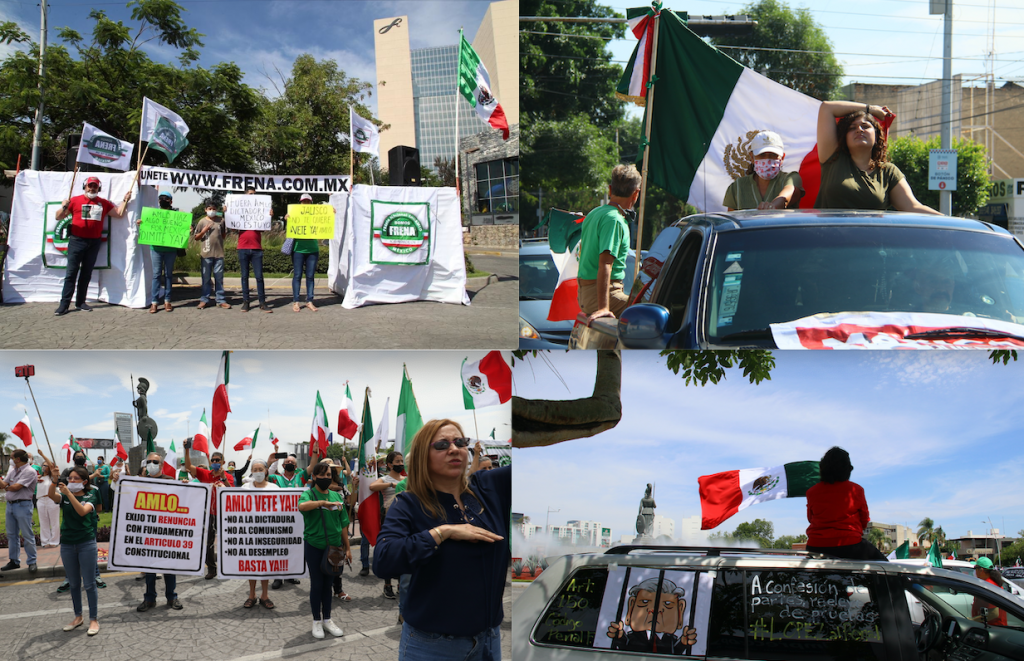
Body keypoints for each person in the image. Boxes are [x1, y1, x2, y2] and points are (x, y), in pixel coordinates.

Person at [374, 419, 511, 661]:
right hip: (432, 645)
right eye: (441, 444)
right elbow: (384, 560)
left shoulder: (488, 487)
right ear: (421, 456)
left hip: (489, 639)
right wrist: (442, 532)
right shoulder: (408, 503)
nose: (454, 448)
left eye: (460, 442)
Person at [815, 101, 941, 213]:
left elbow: (912, 207)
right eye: (852, 128)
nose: (859, 129)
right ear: (844, 138)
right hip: (829, 238)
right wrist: (871, 109)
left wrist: (951, 222)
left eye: (865, 126)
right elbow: (827, 108)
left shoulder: (888, 172)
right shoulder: (833, 158)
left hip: (870, 239)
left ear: (877, 136)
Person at [53, 176, 132, 316]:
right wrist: (64, 206)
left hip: (94, 243)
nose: (92, 188)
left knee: (86, 273)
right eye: (90, 185)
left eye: (95, 186)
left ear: (99, 188)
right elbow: (58, 217)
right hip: (77, 241)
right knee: (71, 273)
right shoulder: (75, 201)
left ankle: (80, 302)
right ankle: (64, 304)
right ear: (85, 186)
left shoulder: (103, 203)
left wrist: (125, 200)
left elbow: (119, 213)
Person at [577, 164, 642, 321]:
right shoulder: (614, 220)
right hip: (604, 295)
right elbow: (605, 264)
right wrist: (604, 308)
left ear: (610, 189)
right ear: (636, 194)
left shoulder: (595, 213)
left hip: (587, 293)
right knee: (652, 312)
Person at [298, 462, 352, 639]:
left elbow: (343, 524)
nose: (326, 478)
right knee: (317, 585)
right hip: (314, 546)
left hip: (334, 548)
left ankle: (328, 620)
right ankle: (316, 621)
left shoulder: (337, 495)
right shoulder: (308, 494)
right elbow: (301, 507)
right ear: (314, 477)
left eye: (329, 475)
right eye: (322, 475)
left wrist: (348, 548)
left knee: (328, 585)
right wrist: (322, 503)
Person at [805, 446, 887, 561]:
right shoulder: (856, 490)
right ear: (847, 469)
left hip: (816, 546)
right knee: (886, 567)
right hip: (850, 545)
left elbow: (810, 518)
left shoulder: (811, 492)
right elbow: (864, 520)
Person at [47, 464, 101, 635]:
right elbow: (50, 495)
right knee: (74, 584)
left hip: (86, 543)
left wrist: (68, 493)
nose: (71, 481)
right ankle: (78, 617)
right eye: (69, 478)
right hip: (68, 544)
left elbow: (82, 512)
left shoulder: (91, 494)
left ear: (85, 481)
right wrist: (55, 480)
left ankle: (93, 619)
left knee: (90, 584)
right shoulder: (64, 496)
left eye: (75, 478)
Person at [129, 452, 184, 611]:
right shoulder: (139, 483)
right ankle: (149, 598)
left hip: (166, 532)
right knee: (150, 568)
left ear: (161, 465)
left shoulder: (170, 481)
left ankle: (172, 597)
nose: (151, 464)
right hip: (148, 532)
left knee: (169, 567)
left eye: (155, 461)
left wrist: (186, 487)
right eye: (149, 461)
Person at [182, 445, 235, 579]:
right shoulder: (206, 474)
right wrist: (187, 450)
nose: (215, 462)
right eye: (213, 460)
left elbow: (232, 493)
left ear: (223, 462)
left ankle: (228, 566)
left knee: (228, 541)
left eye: (218, 460)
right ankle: (212, 568)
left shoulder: (228, 476)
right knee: (207, 542)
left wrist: (223, 480)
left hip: (225, 514)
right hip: (209, 514)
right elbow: (189, 466)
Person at [723, 130, 803, 211]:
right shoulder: (737, 187)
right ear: (752, 157)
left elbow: (786, 196)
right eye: (762, 154)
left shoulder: (791, 178)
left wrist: (773, 206)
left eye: (773, 155)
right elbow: (732, 219)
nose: (767, 159)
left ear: (782, 158)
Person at [270, 451, 311, 589]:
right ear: (282, 465)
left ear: (296, 466)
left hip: (297, 521)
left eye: (292, 463)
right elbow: (261, 476)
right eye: (287, 462)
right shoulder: (275, 478)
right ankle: (277, 577)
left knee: (293, 548)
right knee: (278, 548)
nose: (289, 464)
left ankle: (290, 575)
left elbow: (312, 467)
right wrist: (270, 462)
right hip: (278, 520)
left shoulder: (301, 477)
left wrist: (315, 452)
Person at [241, 459, 279, 609]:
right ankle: (252, 595)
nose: (258, 472)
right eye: (255, 470)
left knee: (265, 565)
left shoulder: (274, 488)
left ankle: (265, 595)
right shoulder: (245, 487)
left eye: (260, 469)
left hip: (268, 533)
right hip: (250, 534)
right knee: (252, 564)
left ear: (266, 471)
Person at [231, 188, 272, 313]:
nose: (252, 196)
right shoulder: (238, 210)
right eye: (250, 194)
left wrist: (268, 216)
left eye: (254, 194)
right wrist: (228, 213)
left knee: (259, 277)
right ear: (245, 196)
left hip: (256, 248)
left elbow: (265, 228)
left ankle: (262, 302)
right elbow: (232, 228)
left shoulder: (261, 209)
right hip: (242, 248)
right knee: (244, 276)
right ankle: (246, 302)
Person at [370, 451, 404, 599]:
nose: (400, 464)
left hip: (404, 519)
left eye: (401, 461)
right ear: (389, 464)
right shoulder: (384, 479)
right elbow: (372, 486)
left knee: (403, 551)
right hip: (389, 518)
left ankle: (401, 584)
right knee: (389, 551)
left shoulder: (406, 479)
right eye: (397, 461)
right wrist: (391, 484)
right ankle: (387, 585)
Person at [0, 449, 38, 573]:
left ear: (18, 459)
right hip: (10, 505)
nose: (10, 459)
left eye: (11, 457)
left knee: (27, 534)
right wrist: (6, 486)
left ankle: (32, 561)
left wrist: (6, 487)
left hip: (23, 505)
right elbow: (4, 484)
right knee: (12, 535)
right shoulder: (13, 470)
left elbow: (16, 487)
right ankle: (14, 561)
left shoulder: (30, 471)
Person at [142, 192, 180, 313]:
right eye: (162, 199)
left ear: (171, 201)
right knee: (156, 275)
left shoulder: (176, 215)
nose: (164, 200)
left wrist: (187, 229)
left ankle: (167, 301)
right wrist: (141, 223)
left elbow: (181, 229)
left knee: (169, 275)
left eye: (166, 199)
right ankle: (154, 302)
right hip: (156, 249)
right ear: (158, 201)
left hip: (171, 249)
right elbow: (146, 226)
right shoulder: (153, 214)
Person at [287, 193, 321, 312]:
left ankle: (309, 301)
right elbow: (290, 230)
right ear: (300, 202)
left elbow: (325, 223)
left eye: (308, 201)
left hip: (313, 249)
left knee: (310, 276)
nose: (305, 203)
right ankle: (296, 301)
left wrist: (330, 214)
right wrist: (288, 219)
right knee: (297, 275)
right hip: (298, 249)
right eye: (303, 201)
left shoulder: (317, 215)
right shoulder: (294, 214)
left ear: (311, 203)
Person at [193, 200, 231, 309]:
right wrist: (204, 231)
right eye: (210, 209)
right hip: (206, 253)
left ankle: (220, 299)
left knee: (219, 278)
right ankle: (204, 299)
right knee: (206, 278)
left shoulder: (221, 221)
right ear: (206, 210)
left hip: (218, 253)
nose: (212, 211)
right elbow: (196, 237)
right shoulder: (201, 222)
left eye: (214, 209)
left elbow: (223, 235)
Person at [971, 557, 1008, 626]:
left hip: (994, 628)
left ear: (981, 570)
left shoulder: (988, 586)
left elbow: (993, 613)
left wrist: (972, 620)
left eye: (975, 568)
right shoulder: (990, 583)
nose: (974, 571)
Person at [37, 459, 60, 548]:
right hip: (41, 500)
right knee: (43, 522)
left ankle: (54, 541)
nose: (44, 467)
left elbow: (52, 467)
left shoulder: (53, 477)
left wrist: (42, 454)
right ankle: (45, 541)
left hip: (51, 499)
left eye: (46, 466)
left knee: (54, 521)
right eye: (43, 465)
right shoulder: (39, 478)